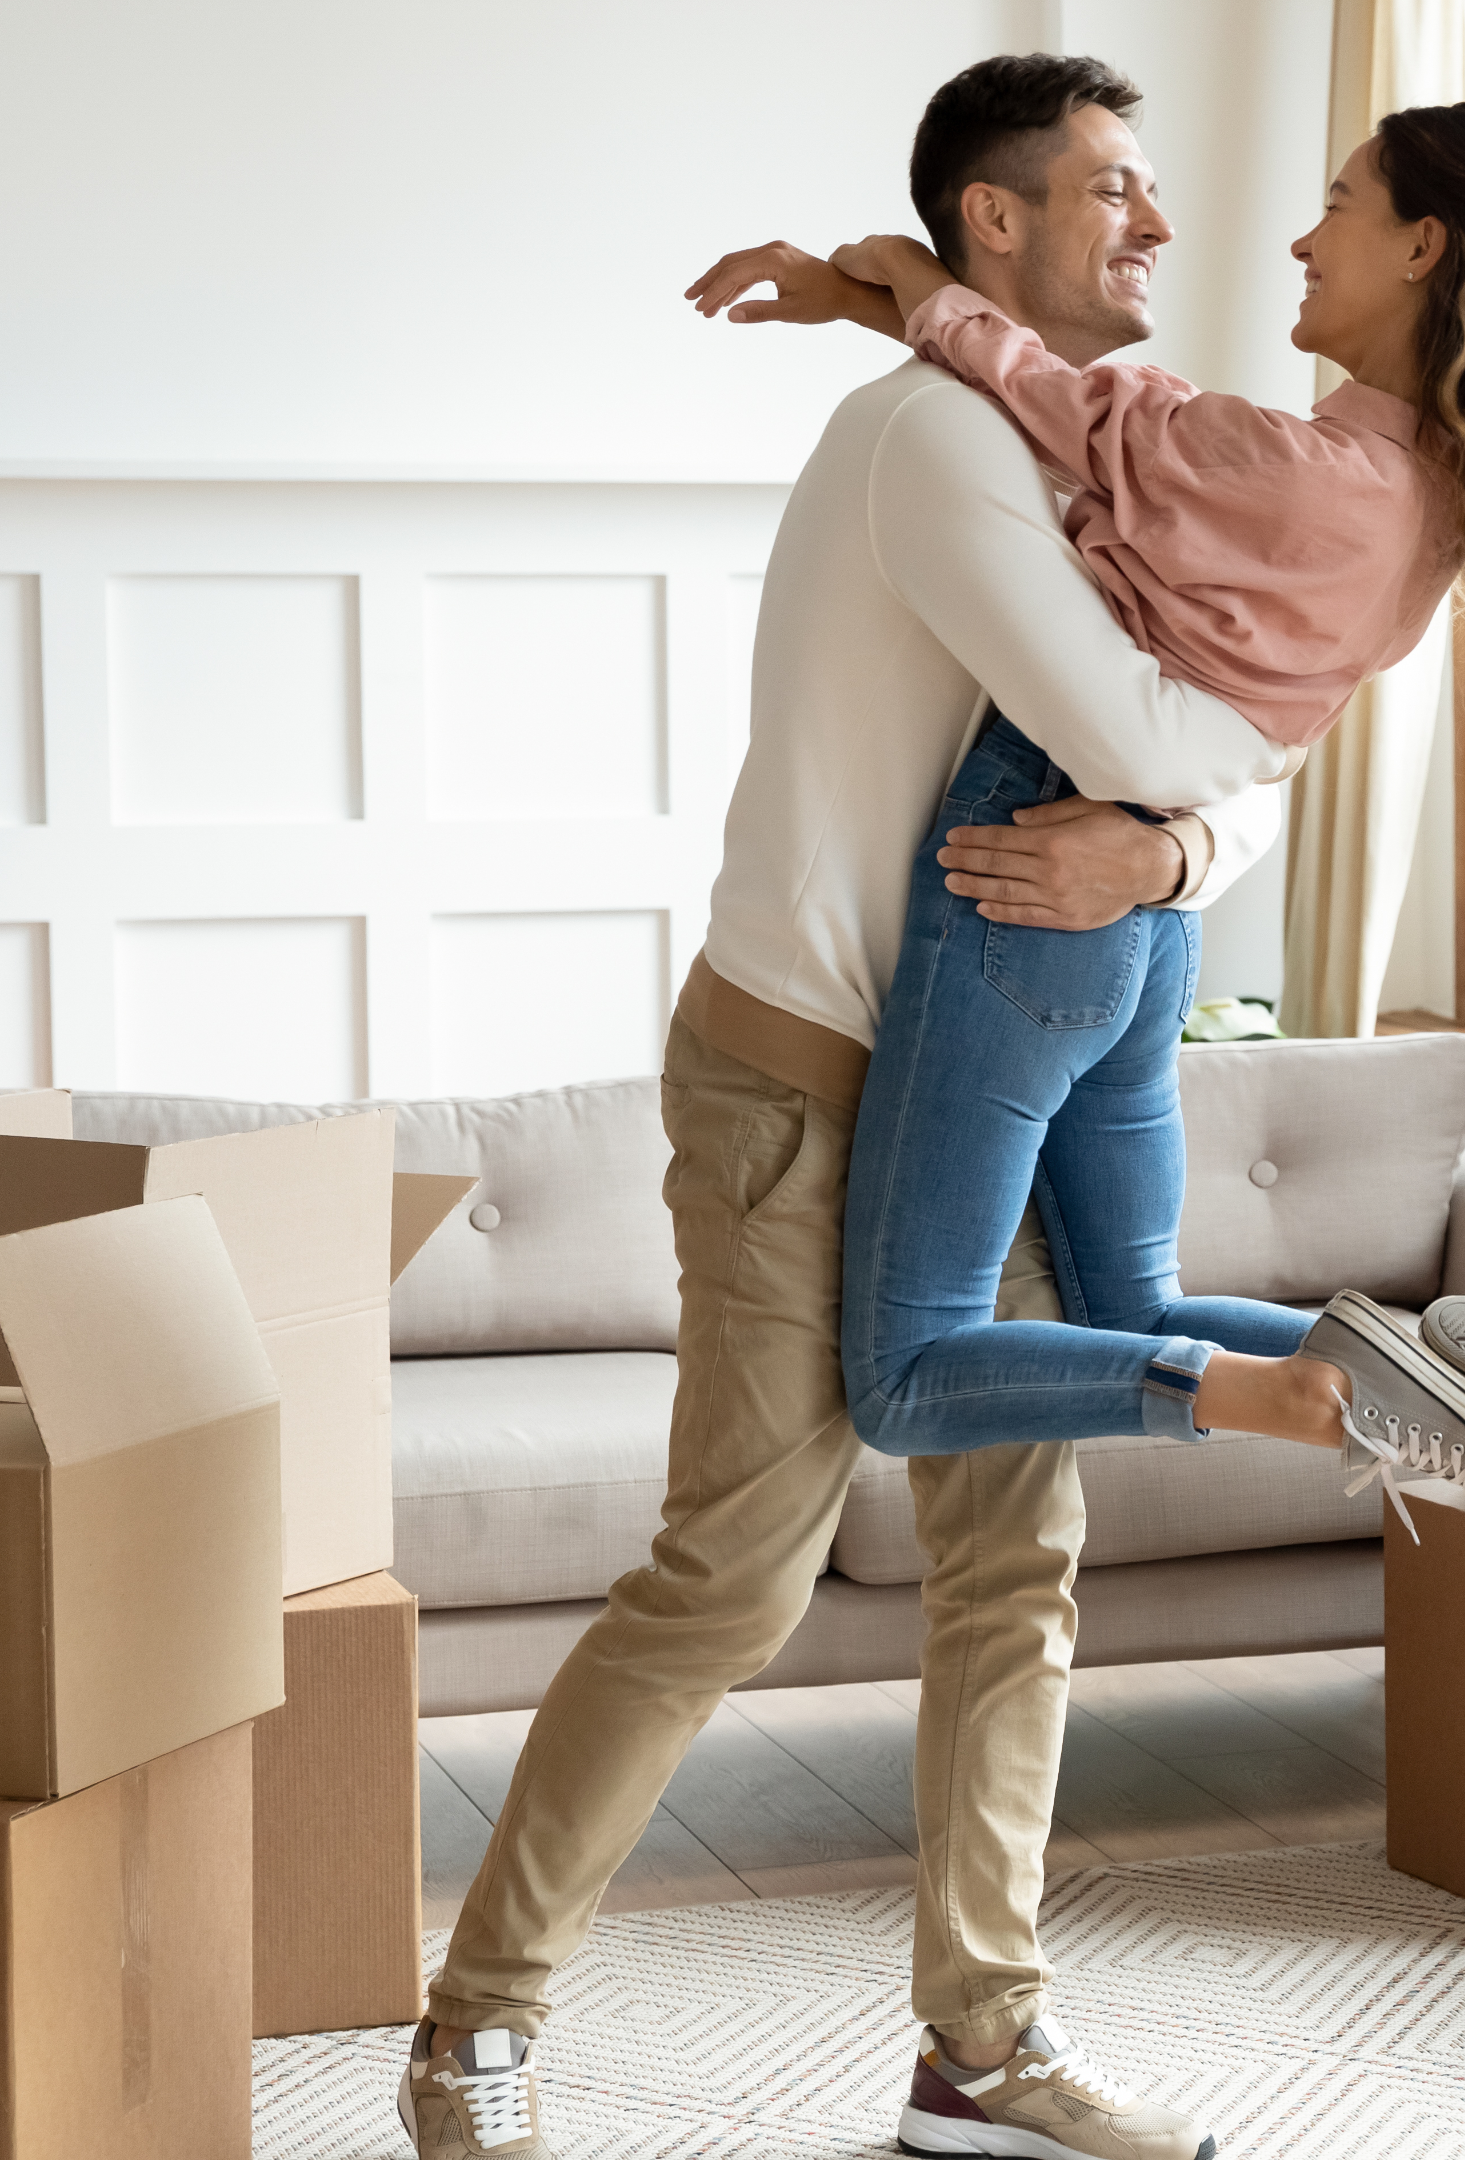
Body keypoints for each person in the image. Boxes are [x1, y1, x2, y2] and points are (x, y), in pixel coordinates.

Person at [394, 55, 1325, 2160]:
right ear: (993, 227)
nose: (1159, 229)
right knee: (735, 1574)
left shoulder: (1067, 449)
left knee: (1020, 1561)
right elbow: (1148, 732)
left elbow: (1233, 750)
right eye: (1109, 190)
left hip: (982, 1081)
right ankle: (478, 2022)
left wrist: (1175, 854)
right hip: (805, 1086)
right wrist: (1186, 819)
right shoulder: (931, 442)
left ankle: (978, 2052)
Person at [782, 99, 1465, 1564]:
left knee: (904, 1373)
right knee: (1129, 1297)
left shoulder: (1279, 464)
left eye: (1338, 204)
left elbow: (1059, 399)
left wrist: (905, 277)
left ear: (1423, 246)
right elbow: (1247, 745)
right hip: (1152, 920)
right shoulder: (1433, 506)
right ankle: (1430, 1363)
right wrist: (889, 289)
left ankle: (1283, 1391)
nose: (1298, 237)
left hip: (1029, 873)